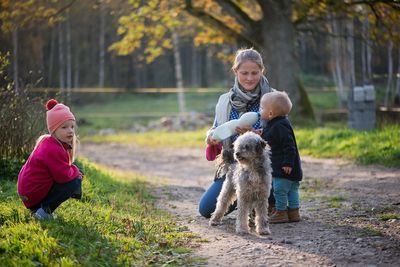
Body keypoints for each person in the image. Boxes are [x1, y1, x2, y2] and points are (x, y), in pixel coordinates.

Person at [199, 48, 274, 218]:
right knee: (206, 209)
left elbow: (283, 135)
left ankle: (270, 201)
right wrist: (211, 137)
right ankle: (248, 202)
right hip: (234, 165)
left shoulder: (272, 97)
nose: (249, 78)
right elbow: (217, 128)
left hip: (266, 164)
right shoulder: (225, 100)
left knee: (264, 188)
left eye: (255, 73)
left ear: (262, 71)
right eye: (244, 73)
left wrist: (258, 134)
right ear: (235, 71)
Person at [17, 99, 83, 220]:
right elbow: (63, 177)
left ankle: (38, 209)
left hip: (29, 192)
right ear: (53, 130)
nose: (70, 131)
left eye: (72, 127)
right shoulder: (53, 149)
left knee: (73, 176)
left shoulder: (49, 142)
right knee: (74, 181)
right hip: (32, 193)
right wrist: (76, 172)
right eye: (64, 127)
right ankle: (43, 212)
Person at [260, 91, 303, 223]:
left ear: (271, 113)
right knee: (292, 190)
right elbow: (271, 137)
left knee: (279, 190)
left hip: (284, 168)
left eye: (262, 108)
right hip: (292, 168)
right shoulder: (280, 123)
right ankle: (294, 212)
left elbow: (289, 146)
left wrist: (287, 163)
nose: (260, 111)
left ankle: (281, 212)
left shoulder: (279, 126)